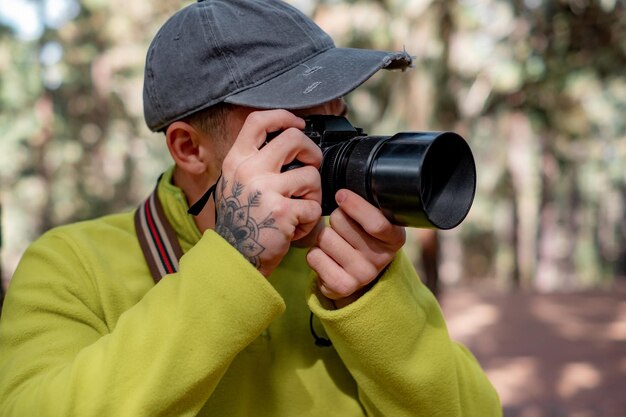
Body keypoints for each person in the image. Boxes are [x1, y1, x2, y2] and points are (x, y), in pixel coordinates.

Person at [0, 0, 501, 415]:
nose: (333, 142)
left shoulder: (344, 247)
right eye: (299, 124)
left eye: (339, 114)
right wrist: (233, 262)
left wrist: (375, 303)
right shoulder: (70, 265)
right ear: (189, 148)